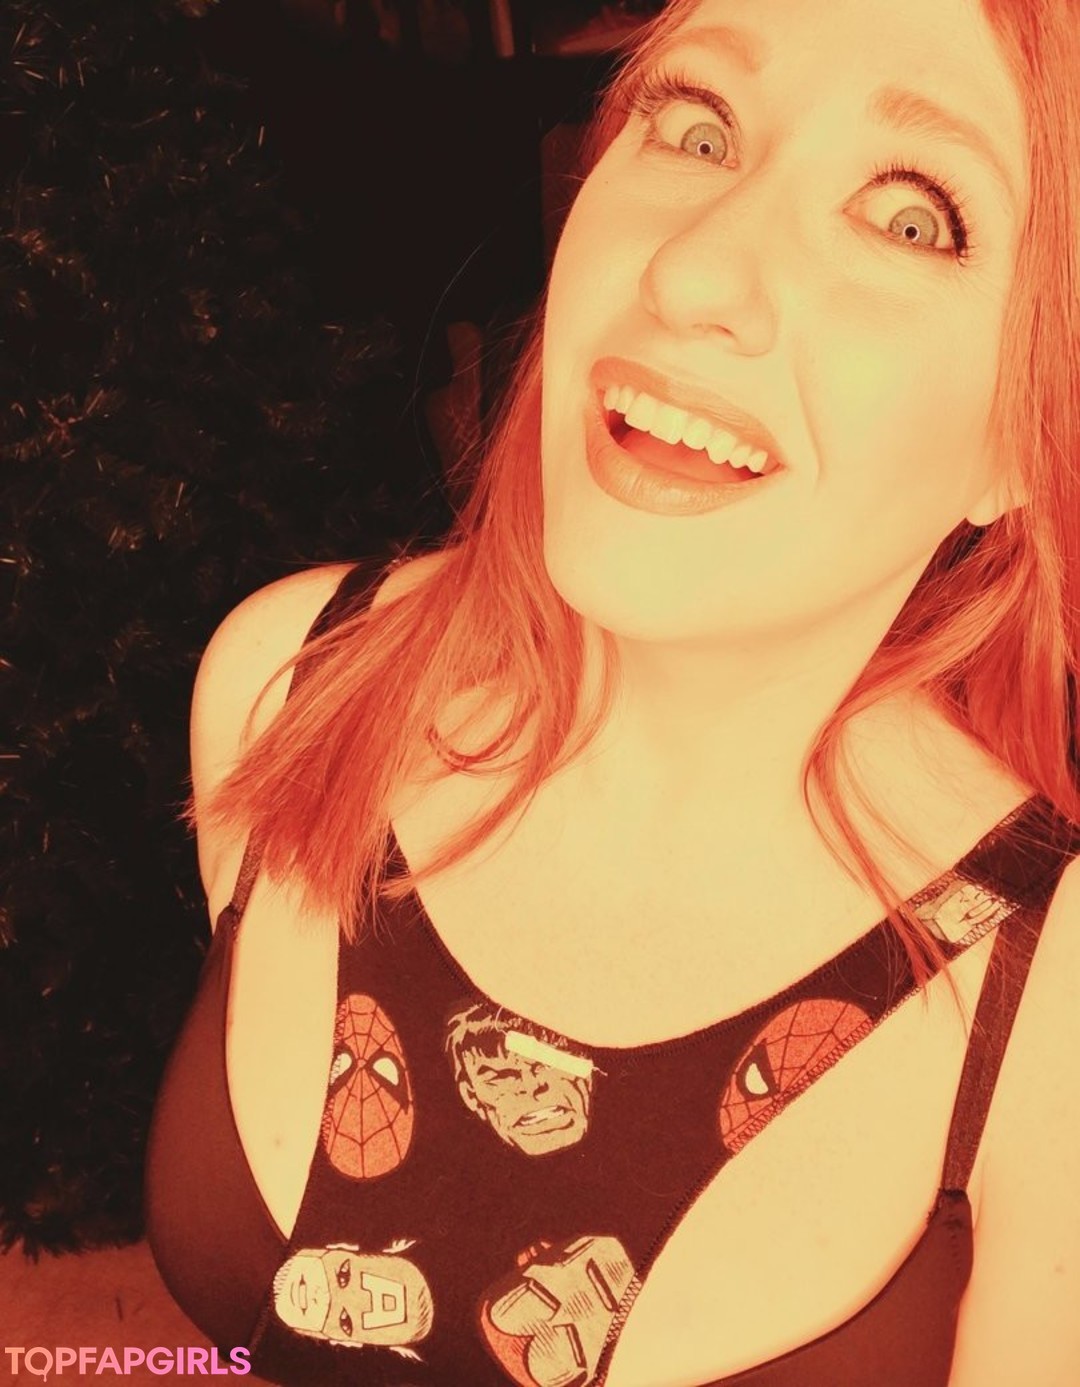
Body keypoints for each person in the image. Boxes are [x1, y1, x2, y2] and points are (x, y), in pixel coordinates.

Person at [145, 0, 1080, 1382]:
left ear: (1027, 428)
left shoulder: (1052, 994)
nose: (694, 271)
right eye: (697, 128)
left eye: (910, 218)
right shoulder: (292, 683)